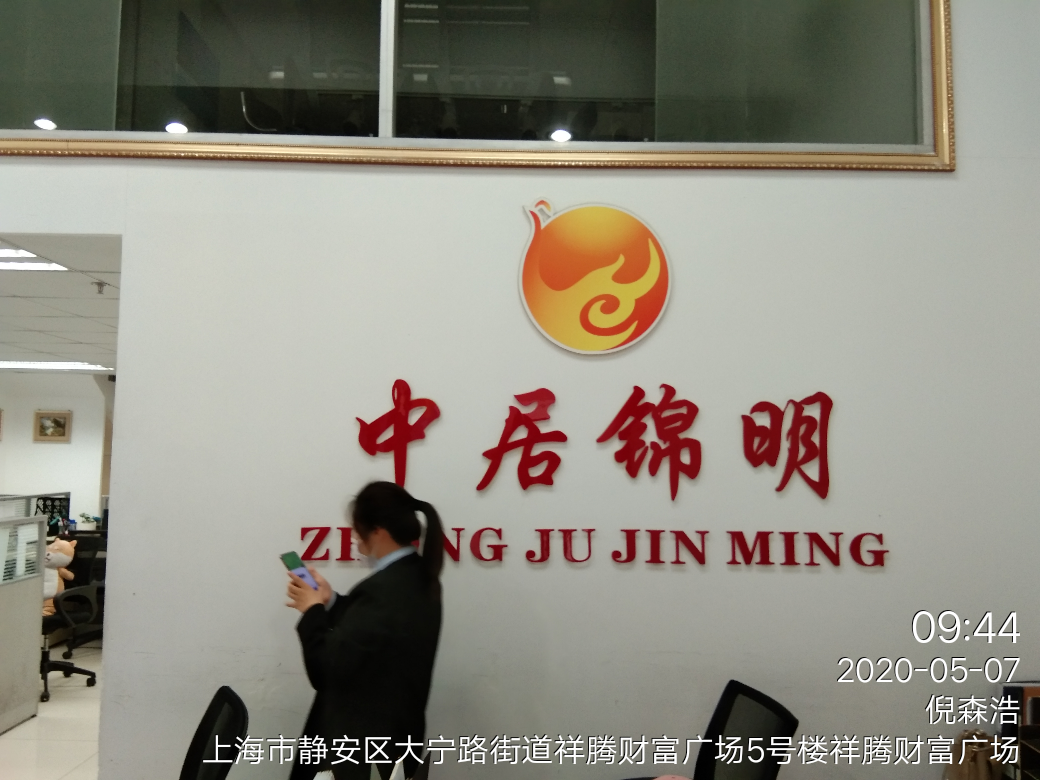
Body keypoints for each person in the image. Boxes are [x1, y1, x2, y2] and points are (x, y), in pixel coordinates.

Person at [286, 481, 444, 780]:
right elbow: (373, 636)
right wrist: (330, 600)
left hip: (358, 752)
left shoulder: (383, 590)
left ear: (378, 531)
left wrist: (312, 610)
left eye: (357, 528)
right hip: (391, 741)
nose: (355, 537)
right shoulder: (415, 578)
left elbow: (325, 668)